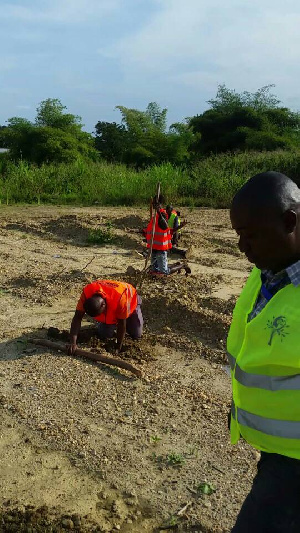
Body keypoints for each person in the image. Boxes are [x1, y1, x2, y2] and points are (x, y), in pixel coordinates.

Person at [228, 171, 300, 532]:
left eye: (250, 235)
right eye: (238, 235)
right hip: (278, 452)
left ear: (290, 221)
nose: (242, 247)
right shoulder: (269, 266)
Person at [68, 279, 143, 355]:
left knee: (136, 334)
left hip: (131, 300)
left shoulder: (121, 299)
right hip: (112, 301)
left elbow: (122, 324)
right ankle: (107, 325)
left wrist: (118, 346)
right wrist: (73, 343)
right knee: (104, 335)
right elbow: (77, 317)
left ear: (103, 306)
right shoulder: (86, 293)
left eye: (100, 313)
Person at [145, 194, 190, 276]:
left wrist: (159, 210)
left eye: (155, 203)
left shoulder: (163, 213)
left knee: (164, 271)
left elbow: (165, 227)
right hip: (154, 246)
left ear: (159, 204)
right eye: (153, 203)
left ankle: (183, 265)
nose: (153, 205)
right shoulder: (155, 216)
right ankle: (175, 265)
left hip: (161, 247)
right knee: (154, 270)